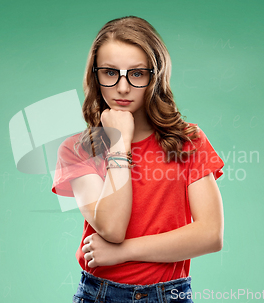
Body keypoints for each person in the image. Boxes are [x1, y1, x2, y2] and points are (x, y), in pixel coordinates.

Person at [52, 16, 225, 303]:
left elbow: (210, 235)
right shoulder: (78, 150)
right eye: (110, 72)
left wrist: (123, 252)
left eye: (137, 74)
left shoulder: (187, 141)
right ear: (95, 76)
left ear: (155, 76)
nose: (122, 88)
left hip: (170, 295)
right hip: (101, 295)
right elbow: (113, 227)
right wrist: (118, 144)